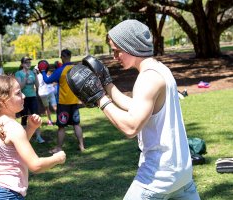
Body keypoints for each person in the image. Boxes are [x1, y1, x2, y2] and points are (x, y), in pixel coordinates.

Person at [67, 20, 200, 200]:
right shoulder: (160, 70)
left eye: (116, 50)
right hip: (182, 175)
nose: (114, 56)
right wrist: (107, 84)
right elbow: (137, 107)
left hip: (157, 177)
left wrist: (99, 99)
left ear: (131, 47)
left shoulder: (148, 79)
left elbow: (131, 127)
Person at [0, 75, 66, 200]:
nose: (23, 96)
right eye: (18, 93)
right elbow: (36, 165)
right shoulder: (14, 128)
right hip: (4, 194)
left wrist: (31, 128)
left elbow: (13, 150)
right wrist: (57, 158)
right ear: (3, 100)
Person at [38, 49, 85, 153]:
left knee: (61, 127)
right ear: (70, 56)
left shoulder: (60, 71)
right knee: (76, 124)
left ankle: (59, 148)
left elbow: (47, 80)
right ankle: (81, 146)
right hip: (74, 102)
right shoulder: (76, 69)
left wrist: (43, 71)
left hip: (63, 103)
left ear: (62, 57)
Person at [15, 57, 45, 144]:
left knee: (36, 117)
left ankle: (38, 137)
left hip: (33, 97)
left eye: (29, 62)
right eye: (26, 62)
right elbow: (20, 87)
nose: (28, 64)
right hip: (23, 98)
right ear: (22, 64)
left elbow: (37, 86)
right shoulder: (18, 73)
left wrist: (35, 75)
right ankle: (24, 138)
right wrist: (26, 77)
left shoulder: (32, 72)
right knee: (24, 117)